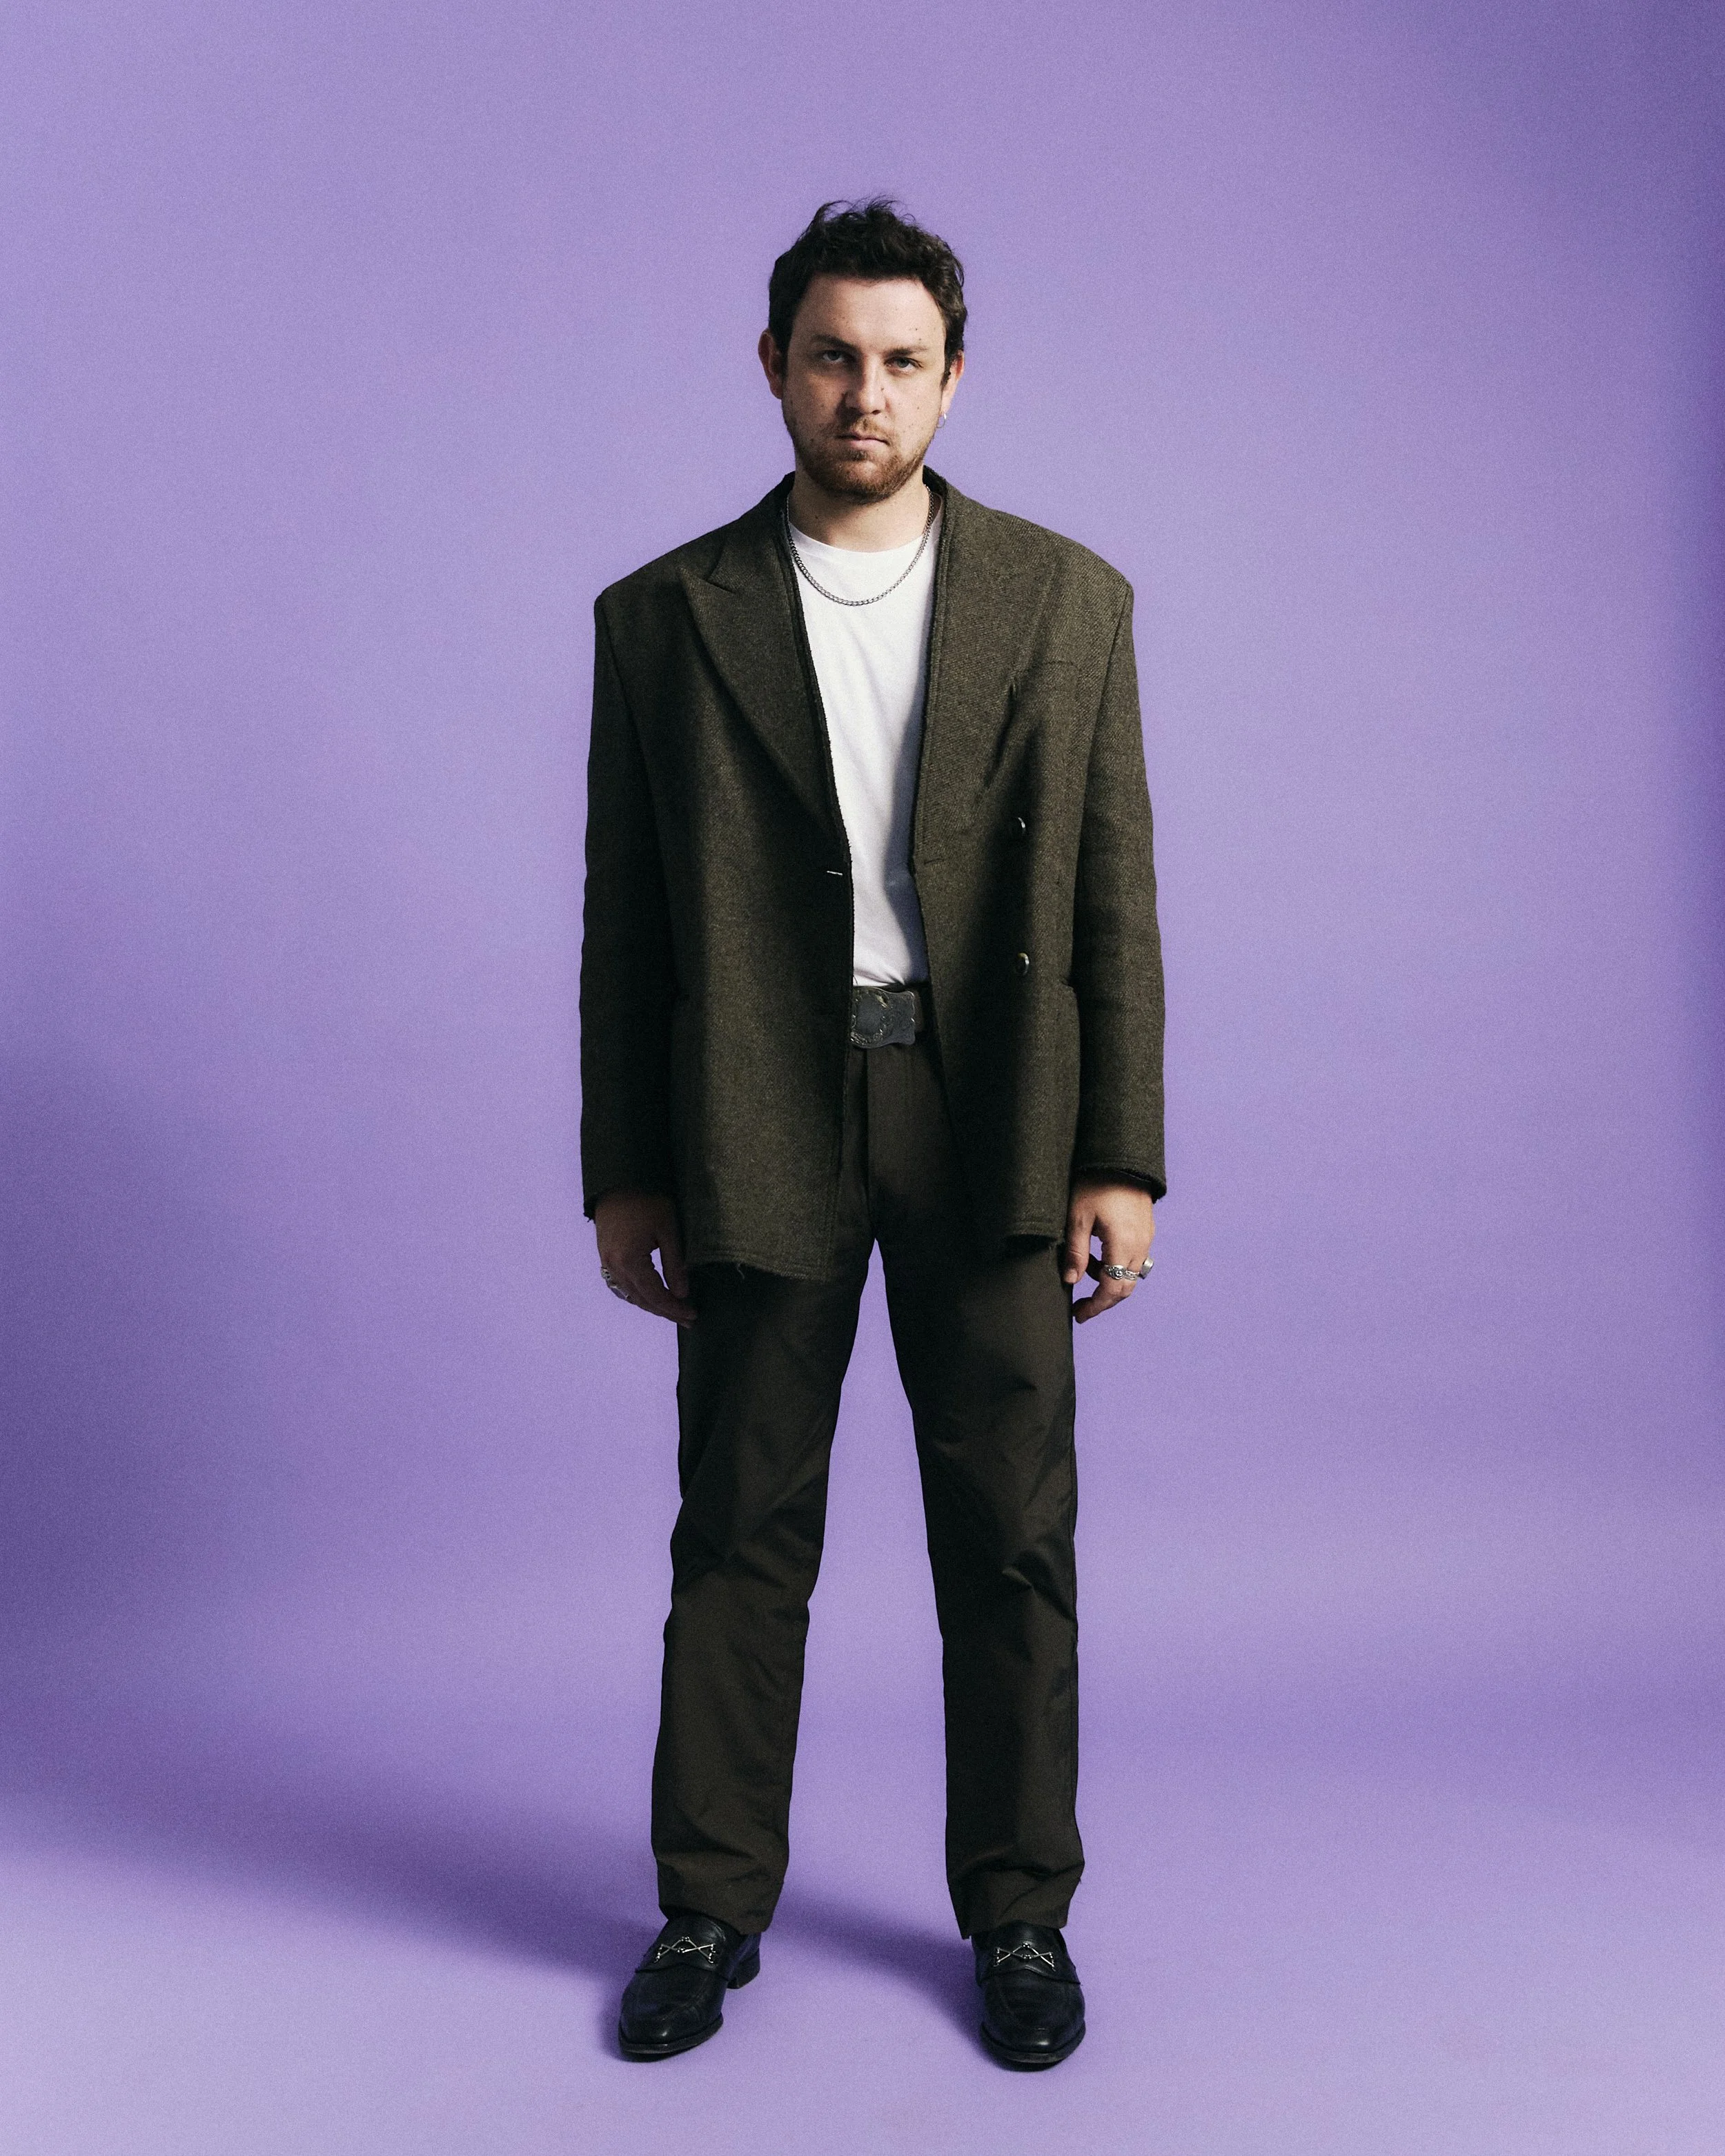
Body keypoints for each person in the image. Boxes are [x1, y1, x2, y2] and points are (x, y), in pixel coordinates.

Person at [580, 198, 1165, 2070]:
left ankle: (1017, 1916)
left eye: (901, 358)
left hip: (990, 1099)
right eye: (831, 353)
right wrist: (622, 1167)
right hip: (758, 1096)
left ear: (951, 377)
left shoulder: (1068, 603)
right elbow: (629, 919)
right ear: (773, 365)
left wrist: (1121, 1156)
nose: (864, 391)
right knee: (739, 1518)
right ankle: (704, 1903)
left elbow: (1113, 905)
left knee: (1009, 1526)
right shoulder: (663, 619)